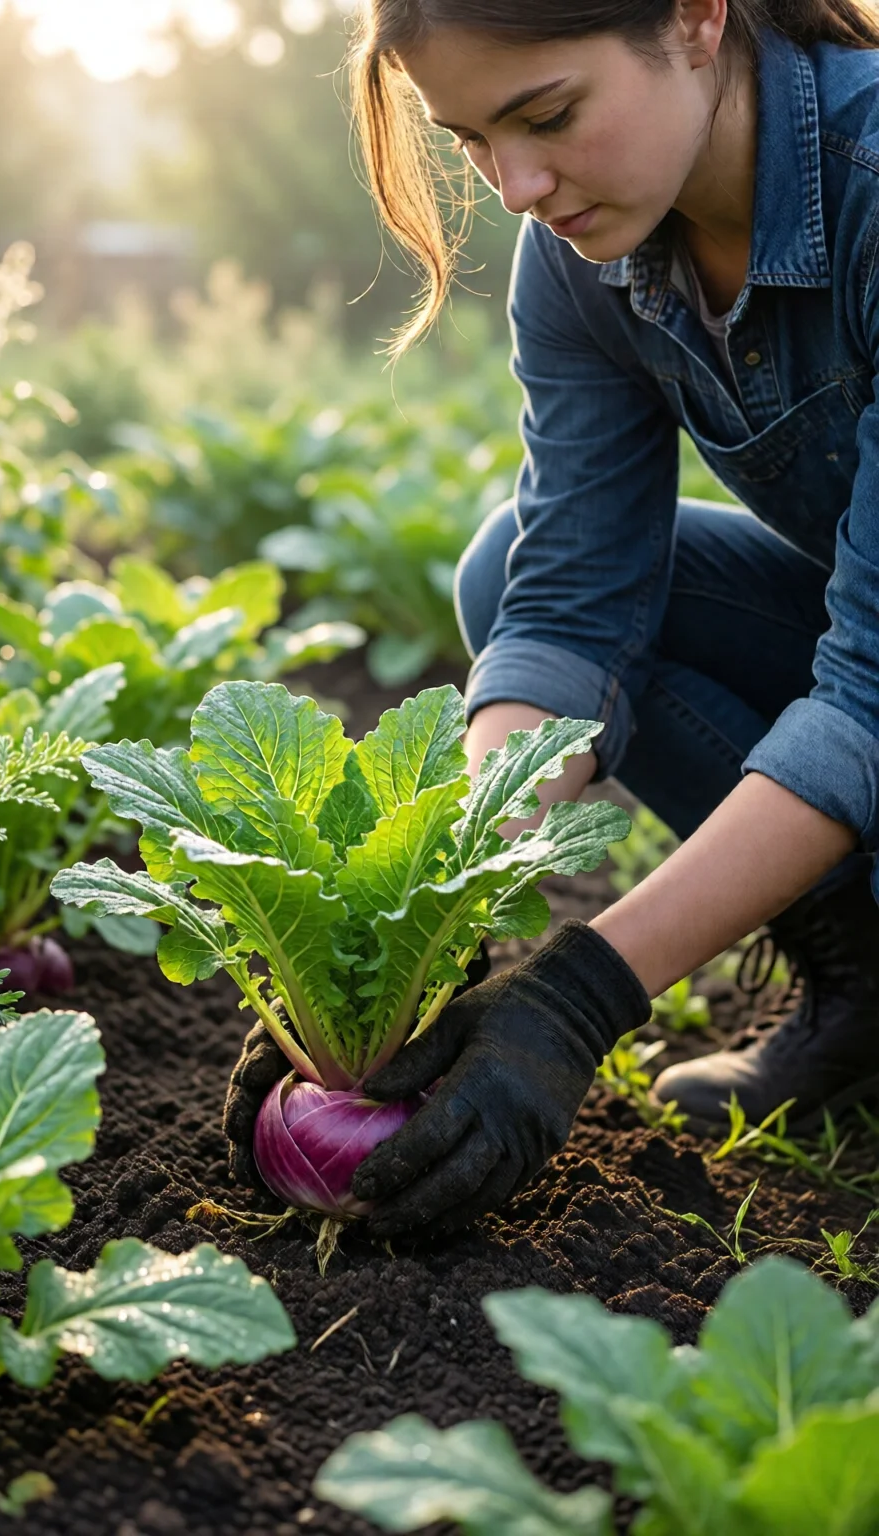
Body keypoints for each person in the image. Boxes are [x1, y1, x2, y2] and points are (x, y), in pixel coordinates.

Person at [224, 0, 879, 1241]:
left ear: (696, 18)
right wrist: (433, 924)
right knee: (503, 573)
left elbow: (872, 694)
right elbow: (568, 603)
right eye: (469, 138)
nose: (516, 186)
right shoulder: (591, 256)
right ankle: (867, 985)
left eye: (549, 115)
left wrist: (581, 996)